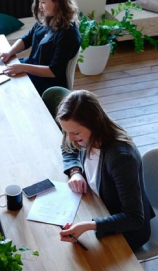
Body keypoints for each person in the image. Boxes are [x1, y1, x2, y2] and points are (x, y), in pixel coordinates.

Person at [56, 90, 155, 251]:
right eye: (66, 131)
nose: (71, 138)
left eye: (75, 133)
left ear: (95, 122)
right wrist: (75, 172)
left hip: (126, 230)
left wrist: (90, 225)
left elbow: (134, 218)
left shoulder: (121, 158)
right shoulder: (84, 133)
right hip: (98, 206)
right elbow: (68, 147)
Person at [0, 0, 81, 95]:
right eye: (39, 2)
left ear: (58, 1)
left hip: (48, 83)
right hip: (32, 68)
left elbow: (53, 71)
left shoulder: (68, 34)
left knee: (8, 85)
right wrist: (10, 52)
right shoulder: (47, 19)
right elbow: (27, 39)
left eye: (43, 2)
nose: (40, 7)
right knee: (1, 71)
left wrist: (23, 67)